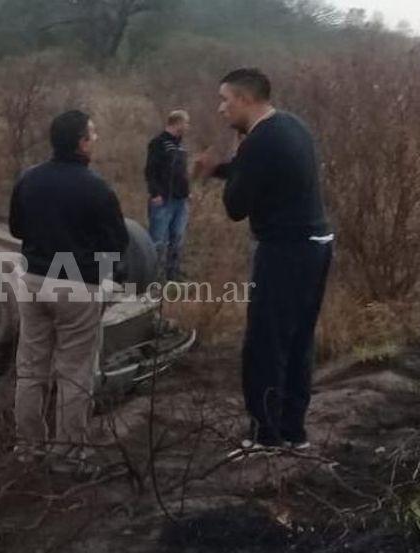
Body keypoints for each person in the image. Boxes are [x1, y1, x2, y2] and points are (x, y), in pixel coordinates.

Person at [198, 68, 333, 452]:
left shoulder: (257, 142)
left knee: (265, 343)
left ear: (244, 99)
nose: (221, 109)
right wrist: (221, 169)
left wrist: (236, 157)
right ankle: (293, 432)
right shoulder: (291, 125)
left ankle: (265, 437)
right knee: (297, 339)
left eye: (225, 100)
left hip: (285, 249)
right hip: (316, 243)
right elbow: (265, 174)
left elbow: (236, 208)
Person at [8, 110, 130, 466]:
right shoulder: (97, 189)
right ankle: (69, 453)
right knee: (75, 371)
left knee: (31, 369)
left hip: (32, 282)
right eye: (92, 133)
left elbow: (16, 229)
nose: (96, 139)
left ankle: (27, 448)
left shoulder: (28, 179)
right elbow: (118, 244)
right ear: (80, 142)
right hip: (77, 286)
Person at [145, 110, 191, 282]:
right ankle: (153, 276)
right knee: (158, 240)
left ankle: (173, 274)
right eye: (186, 123)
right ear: (177, 123)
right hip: (163, 199)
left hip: (181, 199)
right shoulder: (158, 143)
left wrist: (188, 191)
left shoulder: (181, 145)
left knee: (177, 238)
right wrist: (155, 193)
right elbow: (150, 170)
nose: (187, 127)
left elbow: (182, 172)